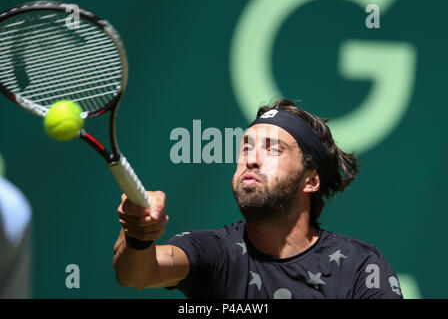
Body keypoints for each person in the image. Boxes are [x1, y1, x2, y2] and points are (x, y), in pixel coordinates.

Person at [113, 98, 403, 299]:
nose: (251, 160)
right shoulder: (215, 252)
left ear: (310, 180)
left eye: (273, 150)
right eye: (246, 148)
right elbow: (138, 274)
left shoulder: (362, 266)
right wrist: (138, 236)